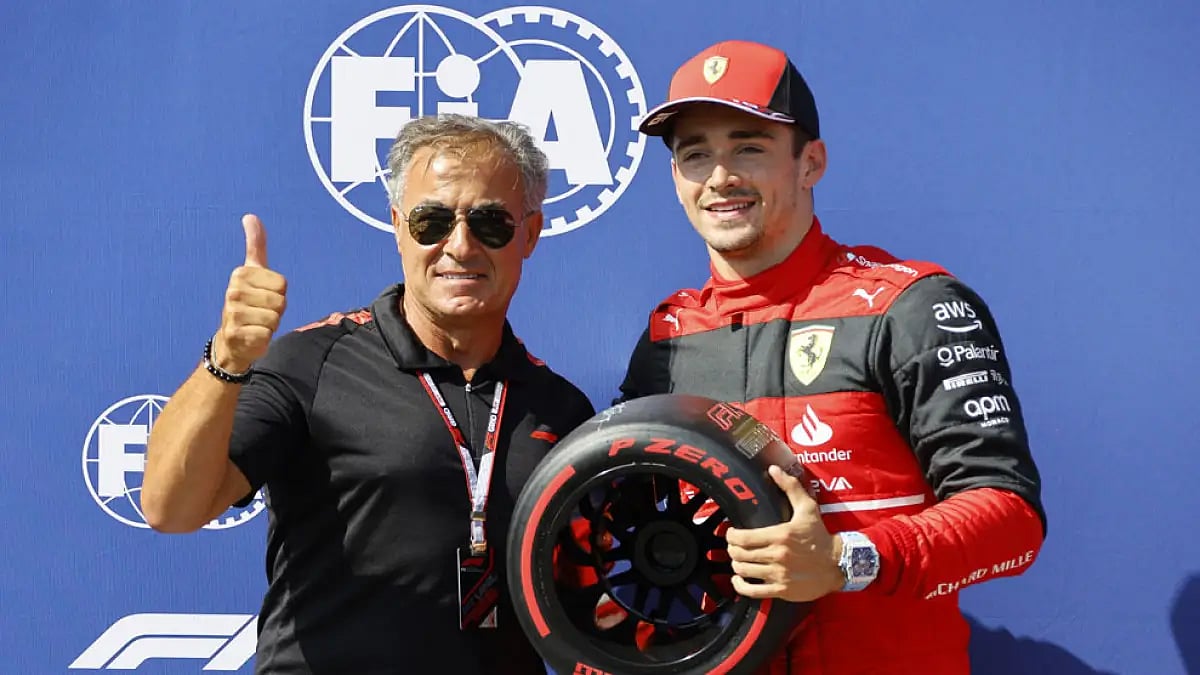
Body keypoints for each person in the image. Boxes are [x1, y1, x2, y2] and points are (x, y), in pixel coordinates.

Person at [618, 40, 1047, 674]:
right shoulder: (670, 334)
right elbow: (616, 520)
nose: (719, 176)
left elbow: (1010, 517)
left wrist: (848, 560)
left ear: (810, 162)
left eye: (749, 147)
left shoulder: (909, 306)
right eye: (694, 153)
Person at [141, 114, 596, 674]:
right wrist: (227, 360)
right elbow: (170, 506)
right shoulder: (312, 363)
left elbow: (593, 606)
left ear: (529, 234)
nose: (460, 245)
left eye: (491, 223)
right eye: (432, 221)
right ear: (398, 226)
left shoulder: (563, 409)